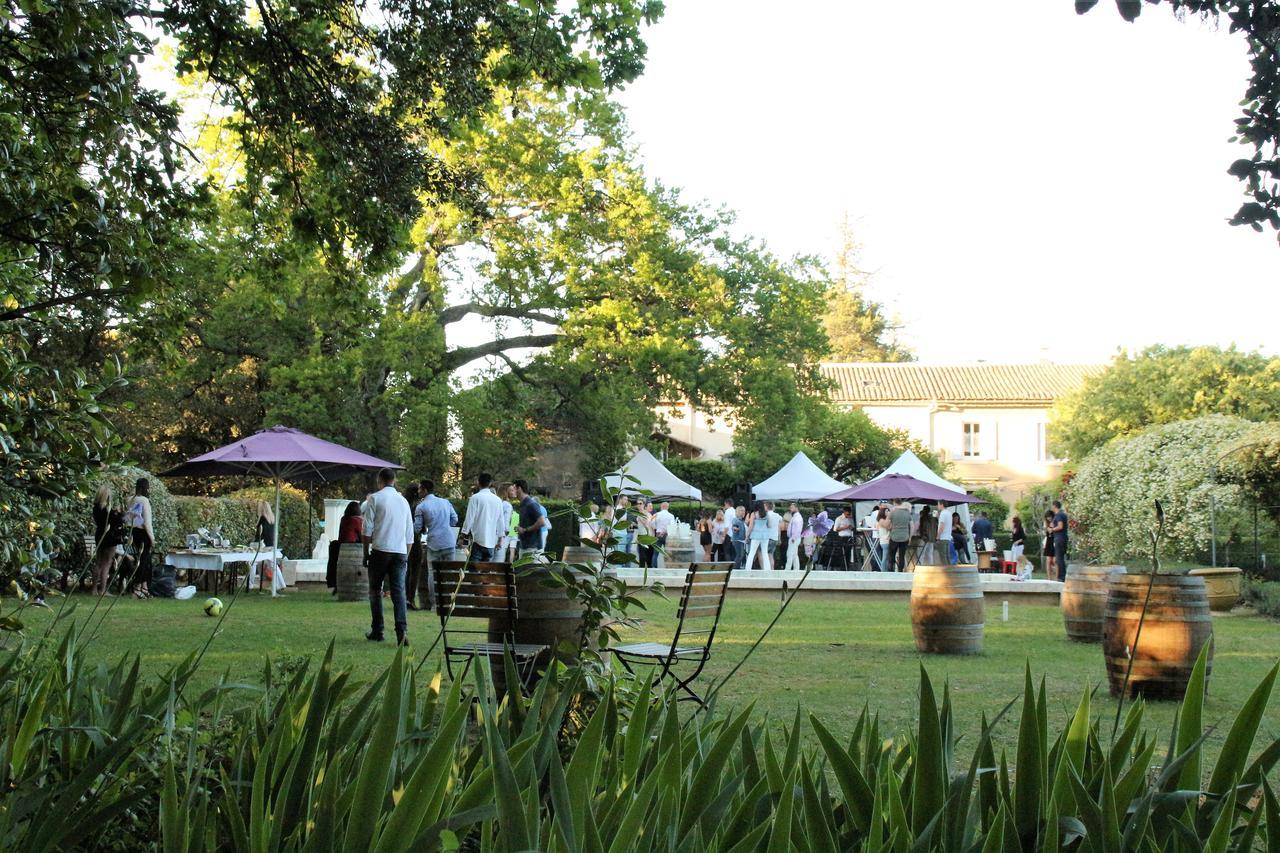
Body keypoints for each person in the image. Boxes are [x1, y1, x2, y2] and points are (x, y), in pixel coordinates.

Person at [363, 468, 414, 645]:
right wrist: (405, 555)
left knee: (375, 590)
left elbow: (367, 530)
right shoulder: (404, 502)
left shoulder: (375, 499)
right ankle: (402, 631)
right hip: (400, 551)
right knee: (399, 591)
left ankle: (378, 629)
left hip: (380, 549)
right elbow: (410, 534)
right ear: (394, 480)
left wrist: (365, 553)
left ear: (380, 481)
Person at [414, 480, 457, 609]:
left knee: (432, 574)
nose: (418, 491)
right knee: (449, 573)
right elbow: (455, 519)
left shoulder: (421, 506)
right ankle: (449, 603)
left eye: (420, 489)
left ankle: (435, 604)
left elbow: (416, 528)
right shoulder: (445, 502)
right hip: (449, 541)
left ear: (425, 490)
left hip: (434, 543)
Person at [460, 473, 504, 561]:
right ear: (490, 483)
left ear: (478, 482)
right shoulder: (498, 500)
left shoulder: (475, 498)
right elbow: (500, 521)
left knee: (473, 572)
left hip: (477, 540)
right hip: (491, 541)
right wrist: (500, 539)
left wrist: (462, 536)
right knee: (486, 573)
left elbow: (469, 519)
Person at [90, 485, 123, 597]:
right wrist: (119, 514)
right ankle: (102, 589)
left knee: (98, 561)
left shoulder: (96, 508)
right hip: (110, 536)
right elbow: (117, 523)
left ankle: (94, 589)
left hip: (99, 534)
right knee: (107, 563)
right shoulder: (108, 511)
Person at [252, 499, 286, 597]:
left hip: (265, 546)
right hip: (272, 545)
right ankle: (281, 583)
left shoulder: (262, 519)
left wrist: (255, 543)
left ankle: (250, 584)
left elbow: (260, 535)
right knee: (273, 565)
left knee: (252, 562)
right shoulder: (272, 519)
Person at [127, 478, 154, 599]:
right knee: (144, 561)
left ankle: (144, 587)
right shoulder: (144, 500)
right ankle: (138, 587)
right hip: (143, 532)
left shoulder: (130, 499)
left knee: (143, 559)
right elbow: (146, 521)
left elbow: (129, 517)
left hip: (133, 532)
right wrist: (152, 538)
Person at [513, 480, 548, 560]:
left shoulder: (531, 504)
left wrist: (525, 530)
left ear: (519, 489)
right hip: (524, 546)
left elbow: (542, 521)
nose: (513, 491)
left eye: (514, 488)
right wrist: (519, 528)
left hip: (532, 548)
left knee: (531, 571)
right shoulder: (523, 504)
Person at [744, 501, 772, 571]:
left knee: (752, 553)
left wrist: (747, 536)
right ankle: (767, 570)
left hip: (756, 535)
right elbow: (769, 525)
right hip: (765, 536)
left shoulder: (754, 514)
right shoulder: (766, 514)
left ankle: (747, 569)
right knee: (765, 553)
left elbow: (750, 526)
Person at [887, 499, 912, 572]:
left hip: (894, 537)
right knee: (902, 556)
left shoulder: (892, 512)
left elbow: (888, 525)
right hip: (905, 537)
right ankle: (900, 571)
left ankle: (891, 571)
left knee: (892, 555)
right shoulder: (907, 513)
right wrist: (910, 537)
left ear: (894, 503)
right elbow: (912, 525)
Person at [1051, 500, 1070, 578]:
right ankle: (1062, 576)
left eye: (1052, 506)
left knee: (1059, 558)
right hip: (1063, 538)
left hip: (1059, 538)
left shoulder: (1058, 515)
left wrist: (1052, 529)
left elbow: (1060, 526)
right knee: (1060, 558)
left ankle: (1062, 577)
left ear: (1055, 506)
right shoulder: (1063, 514)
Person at [784, 502, 804, 571]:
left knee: (789, 554)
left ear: (797, 508)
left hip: (794, 538)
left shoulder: (797, 517)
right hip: (794, 538)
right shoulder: (795, 516)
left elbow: (798, 529)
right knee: (794, 555)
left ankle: (787, 570)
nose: (790, 508)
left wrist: (793, 538)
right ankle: (796, 569)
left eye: (792, 507)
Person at [636, 501, 655, 568]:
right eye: (649, 506)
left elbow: (651, 527)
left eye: (652, 506)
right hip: (643, 536)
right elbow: (646, 524)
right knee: (643, 555)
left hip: (649, 536)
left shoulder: (650, 514)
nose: (651, 507)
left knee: (649, 555)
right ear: (645, 506)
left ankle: (649, 569)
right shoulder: (642, 513)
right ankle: (642, 569)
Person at [764, 501, 782, 566]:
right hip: (775, 537)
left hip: (767, 538)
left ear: (766, 507)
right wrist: (779, 538)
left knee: (764, 554)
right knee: (771, 555)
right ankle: (771, 569)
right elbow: (779, 527)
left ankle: (766, 569)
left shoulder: (765, 515)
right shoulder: (777, 516)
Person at [874, 507, 891, 571]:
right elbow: (888, 526)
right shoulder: (882, 520)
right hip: (885, 540)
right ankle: (883, 571)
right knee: (885, 557)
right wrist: (889, 517)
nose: (888, 512)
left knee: (886, 557)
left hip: (885, 540)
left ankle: (885, 570)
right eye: (886, 511)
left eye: (888, 511)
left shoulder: (881, 520)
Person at [731, 506, 748, 570]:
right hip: (737, 539)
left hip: (741, 540)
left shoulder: (741, 520)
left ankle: (736, 568)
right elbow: (734, 527)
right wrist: (736, 529)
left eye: (744, 510)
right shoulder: (735, 519)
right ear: (737, 512)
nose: (743, 512)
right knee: (739, 555)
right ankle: (735, 569)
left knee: (740, 555)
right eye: (741, 510)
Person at [1042, 509, 1057, 580]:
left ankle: (1057, 576)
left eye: (1050, 516)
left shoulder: (1055, 522)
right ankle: (1049, 578)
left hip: (1054, 542)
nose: (1049, 518)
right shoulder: (1046, 524)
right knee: (1048, 561)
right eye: (1047, 517)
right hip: (1048, 542)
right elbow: (1046, 534)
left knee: (1054, 561)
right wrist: (1046, 527)